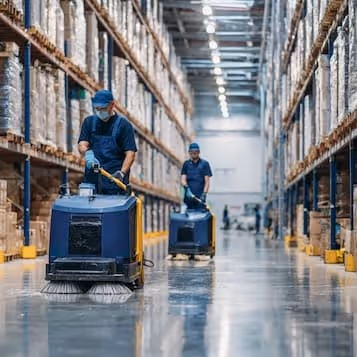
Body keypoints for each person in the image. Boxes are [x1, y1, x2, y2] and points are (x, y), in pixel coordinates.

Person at [78, 89, 137, 194]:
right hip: (92, 181)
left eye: (103, 108)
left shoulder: (124, 125)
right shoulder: (89, 122)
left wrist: (122, 173)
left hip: (114, 182)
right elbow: (82, 144)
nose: (100, 111)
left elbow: (130, 153)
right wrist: (88, 153)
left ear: (112, 105)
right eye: (97, 108)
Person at [181, 142, 212, 209]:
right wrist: (187, 188)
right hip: (188, 197)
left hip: (200, 198)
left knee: (199, 216)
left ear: (199, 152)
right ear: (189, 153)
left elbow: (207, 182)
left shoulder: (205, 164)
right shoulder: (186, 164)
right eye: (192, 152)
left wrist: (204, 194)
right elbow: (183, 179)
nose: (194, 153)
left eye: (196, 152)